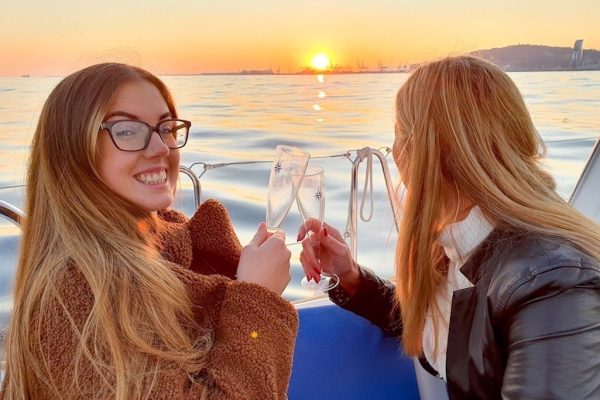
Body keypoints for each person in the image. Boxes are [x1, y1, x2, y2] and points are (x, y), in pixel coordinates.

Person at [298, 55, 600, 398]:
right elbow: (441, 327)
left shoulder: (552, 285)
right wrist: (349, 275)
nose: (394, 150)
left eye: (398, 133)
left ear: (423, 151)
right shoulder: (458, 243)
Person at [1, 63, 297, 400]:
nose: (161, 148)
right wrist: (258, 296)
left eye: (166, 128)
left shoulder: (172, 244)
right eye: (128, 131)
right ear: (73, 150)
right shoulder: (76, 292)